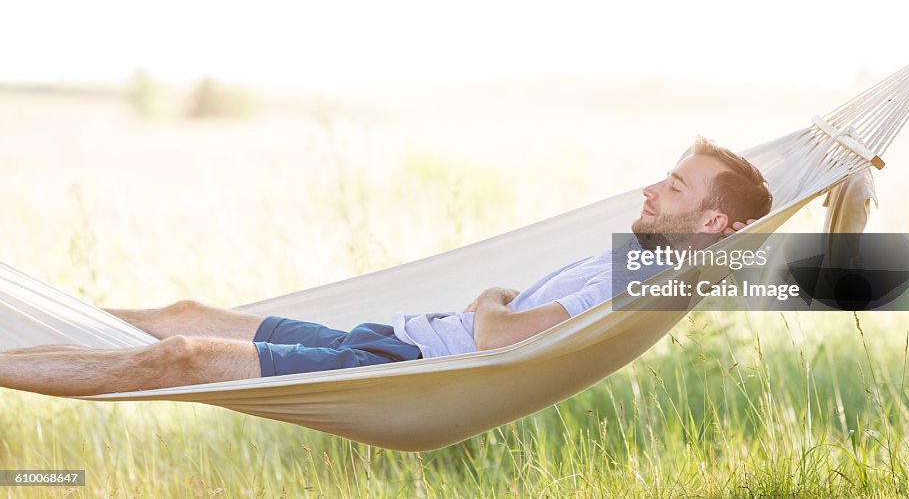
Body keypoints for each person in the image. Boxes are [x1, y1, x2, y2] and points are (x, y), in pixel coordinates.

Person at [0, 136, 771, 397]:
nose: (650, 187)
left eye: (673, 185)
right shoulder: (640, 261)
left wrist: (486, 298)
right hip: (387, 337)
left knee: (183, 355)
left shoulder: (636, 280)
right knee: (184, 314)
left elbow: (500, 337)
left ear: (712, 222)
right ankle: (29, 311)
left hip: (399, 362)